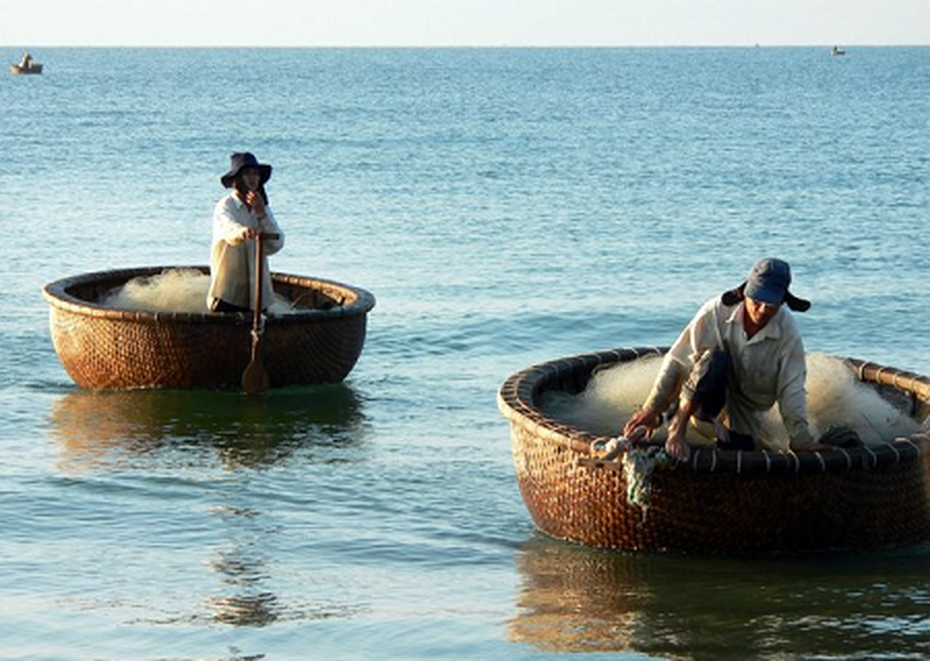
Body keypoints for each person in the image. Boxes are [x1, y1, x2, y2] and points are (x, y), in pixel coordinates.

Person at [623, 257, 834, 461]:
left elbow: (792, 389)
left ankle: (686, 422)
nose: (762, 311)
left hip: (744, 416)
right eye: (757, 301)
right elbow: (678, 360)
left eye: (771, 305)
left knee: (739, 454)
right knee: (715, 360)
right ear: (744, 293)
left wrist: (801, 438)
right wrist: (652, 407)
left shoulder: (788, 332)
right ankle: (676, 424)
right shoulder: (716, 311)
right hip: (701, 401)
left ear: (782, 302)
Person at [207, 152, 285, 313]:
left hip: (257, 292)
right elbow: (228, 228)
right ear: (237, 179)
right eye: (247, 173)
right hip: (229, 291)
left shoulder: (262, 207)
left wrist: (261, 214)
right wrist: (243, 232)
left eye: (255, 174)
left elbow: (276, 243)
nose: (252, 178)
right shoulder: (226, 205)